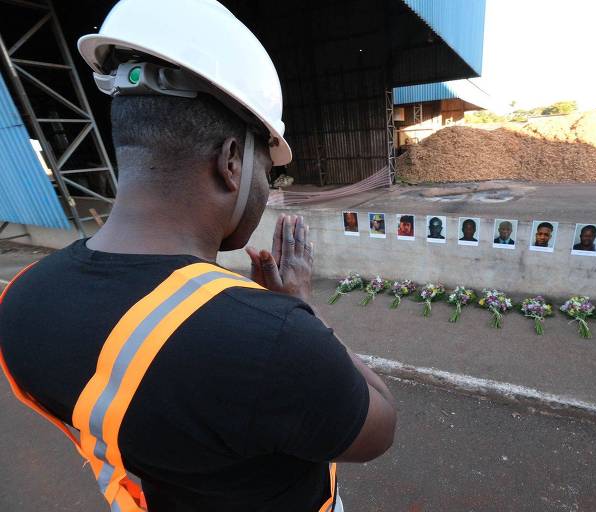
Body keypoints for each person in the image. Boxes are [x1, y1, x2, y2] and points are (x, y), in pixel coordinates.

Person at [0, 2, 395, 511]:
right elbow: (379, 426)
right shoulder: (274, 342)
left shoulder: (23, 297)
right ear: (231, 162)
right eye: (266, 171)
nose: (264, 186)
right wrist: (303, 310)